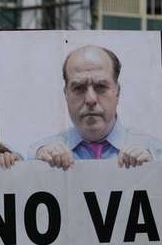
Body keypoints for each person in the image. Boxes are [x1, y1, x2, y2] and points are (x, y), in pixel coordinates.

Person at [31, 45, 162, 169]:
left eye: (101, 86)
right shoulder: (37, 156)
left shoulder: (155, 153)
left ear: (117, 91)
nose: (90, 99)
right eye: (78, 88)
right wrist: (36, 172)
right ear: (66, 94)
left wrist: (153, 175)